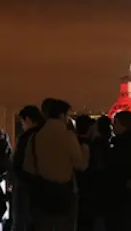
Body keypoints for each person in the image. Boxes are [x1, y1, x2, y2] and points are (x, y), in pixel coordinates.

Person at [22, 99, 89, 231]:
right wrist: (85, 148)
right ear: (62, 115)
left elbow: (28, 167)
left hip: (41, 194)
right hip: (64, 194)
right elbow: (81, 165)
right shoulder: (68, 137)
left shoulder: (35, 137)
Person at [11, 105, 45, 231]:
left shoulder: (26, 137)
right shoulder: (46, 134)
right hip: (44, 187)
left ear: (28, 120)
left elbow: (17, 163)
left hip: (26, 186)